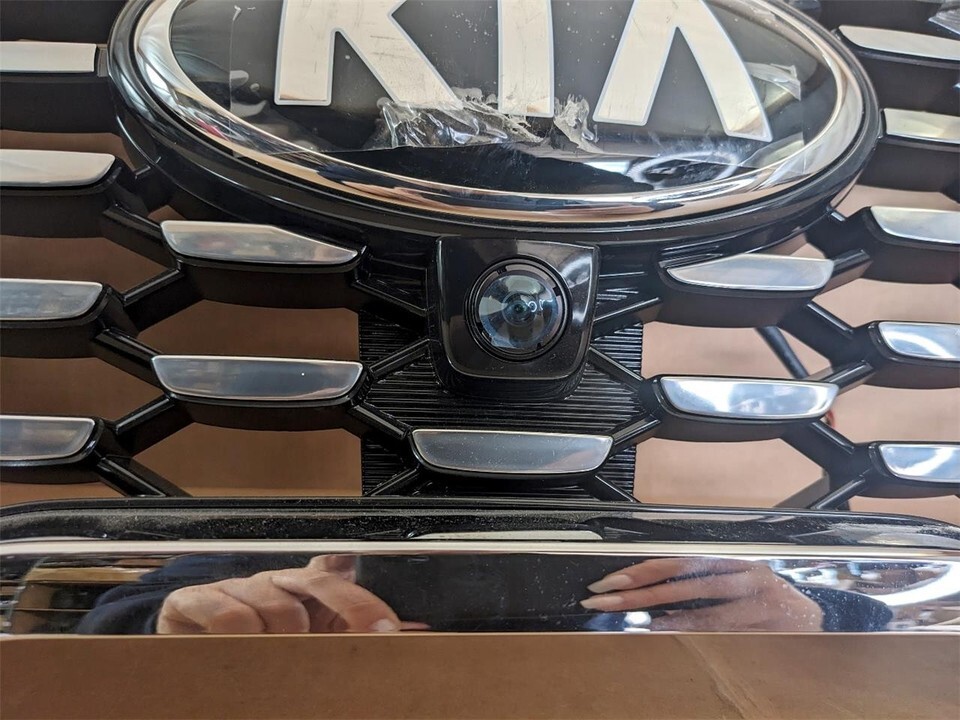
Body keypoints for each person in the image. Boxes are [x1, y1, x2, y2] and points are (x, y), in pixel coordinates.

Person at [77, 553, 892, 634]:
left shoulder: (685, 571)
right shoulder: (298, 558)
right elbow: (101, 620)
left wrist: (818, 617)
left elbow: (877, 616)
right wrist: (174, 631)